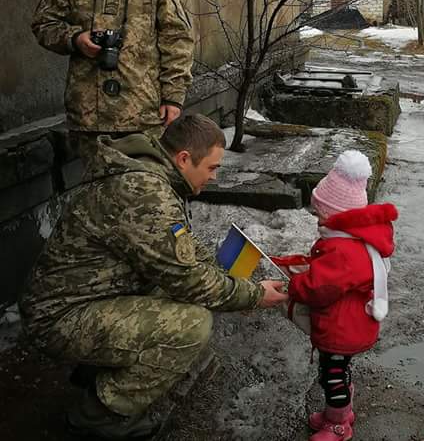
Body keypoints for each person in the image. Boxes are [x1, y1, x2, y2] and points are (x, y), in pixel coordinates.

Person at [19, 114, 288, 440]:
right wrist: (254, 295)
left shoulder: (150, 175)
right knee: (191, 325)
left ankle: (96, 370)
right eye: (212, 168)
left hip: (81, 298)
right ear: (184, 159)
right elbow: (187, 279)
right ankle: (98, 415)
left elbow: (180, 252)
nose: (214, 178)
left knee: (175, 293)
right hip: (59, 318)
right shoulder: (146, 194)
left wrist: (229, 279)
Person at [31, 0, 194, 158]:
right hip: (89, 117)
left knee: (142, 190)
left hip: (143, 115)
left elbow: (177, 39)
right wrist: (74, 39)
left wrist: (173, 97)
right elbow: (43, 23)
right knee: (96, 191)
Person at [273, 150, 399, 441]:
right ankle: (339, 414)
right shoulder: (353, 240)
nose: (316, 219)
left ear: (333, 215)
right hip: (351, 323)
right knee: (339, 370)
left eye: (319, 213)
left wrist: (295, 285)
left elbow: (320, 287)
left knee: (332, 377)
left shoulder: (342, 251)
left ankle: (339, 426)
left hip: (343, 328)